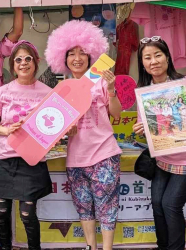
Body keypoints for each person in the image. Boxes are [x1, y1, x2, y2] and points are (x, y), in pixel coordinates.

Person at [132, 36, 186, 250]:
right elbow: (149, 132)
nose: (153, 61)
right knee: (158, 205)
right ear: (142, 63)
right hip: (163, 160)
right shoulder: (145, 94)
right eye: (147, 57)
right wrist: (141, 130)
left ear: (167, 57)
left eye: (158, 55)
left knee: (170, 205)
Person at [44, 20, 122, 250]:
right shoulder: (62, 90)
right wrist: (65, 131)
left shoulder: (101, 82)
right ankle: (91, 247)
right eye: (71, 53)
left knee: (107, 206)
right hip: (75, 158)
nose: (77, 58)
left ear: (91, 56)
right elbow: (56, 127)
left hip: (104, 153)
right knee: (84, 206)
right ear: (63, 58)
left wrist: (111, 90)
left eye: (82, 53)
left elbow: (116, 113)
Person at [0, 40, 52, 250]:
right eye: (18, 59)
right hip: (6, 158)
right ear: (13, 65)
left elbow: (55, 125)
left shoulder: (47, 92)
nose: (23, 63)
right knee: (1, 212)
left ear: (36, 62)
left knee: (27, 213)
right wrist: (6, 130)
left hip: (32, 160)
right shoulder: (3, 91)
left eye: (28, 59)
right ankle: (5, 247)